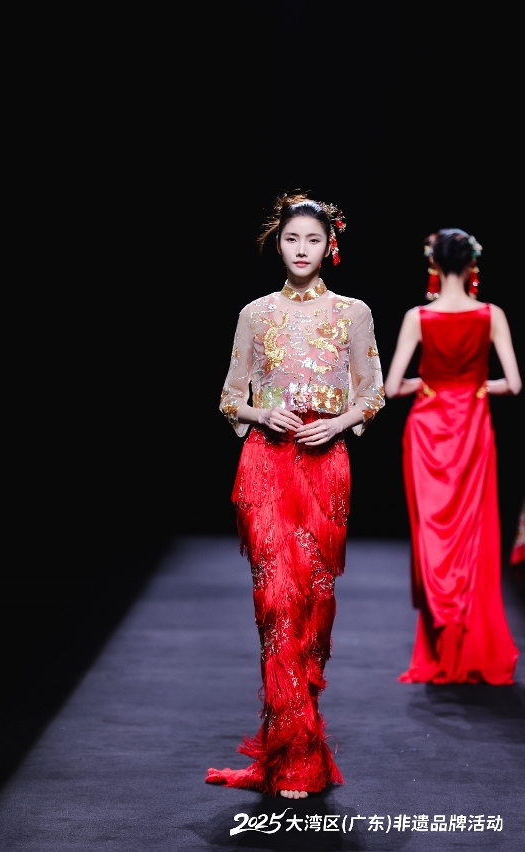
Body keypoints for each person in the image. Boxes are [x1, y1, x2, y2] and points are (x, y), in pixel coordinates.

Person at [205, 193, 384, 798]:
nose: (301, 250)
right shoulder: (255, 313)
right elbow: (229, 397)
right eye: (291, 239)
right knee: (276, 604)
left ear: (330, 245)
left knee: (312, 609)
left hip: (325, 465)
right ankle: (296, 760)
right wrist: (262, 414)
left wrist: (337, 424)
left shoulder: (353, 313)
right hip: (267, 464)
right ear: (276, 244)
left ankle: (295, 744)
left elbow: (372, 392)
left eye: (312, 240)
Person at [385, 229, 521, 684]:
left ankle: (440, 644)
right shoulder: (491, 315)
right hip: (473, 428)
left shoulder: (418, 317)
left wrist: (426, 385)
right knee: (473, 534)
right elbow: (514, 384)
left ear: (434, 265)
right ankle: (470, 643)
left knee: (433, 534)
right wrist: (479, 387)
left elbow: (391, 387)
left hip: (427, 431)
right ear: (471, 265)